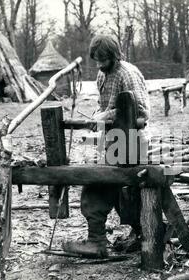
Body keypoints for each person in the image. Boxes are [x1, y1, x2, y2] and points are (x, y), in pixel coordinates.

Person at [62, 34, 151, 257]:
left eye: (103, 59)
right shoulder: (103, 75)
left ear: (114, 54)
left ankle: (98, 242)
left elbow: (141, 113)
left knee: (99, 184)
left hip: (132, 140)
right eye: (96, 60)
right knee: (113, 187)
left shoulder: (127, 74)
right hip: (112, 140)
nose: (99, 64)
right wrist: (96, 117)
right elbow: (103, 106)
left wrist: (105, 116)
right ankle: (135, 235)